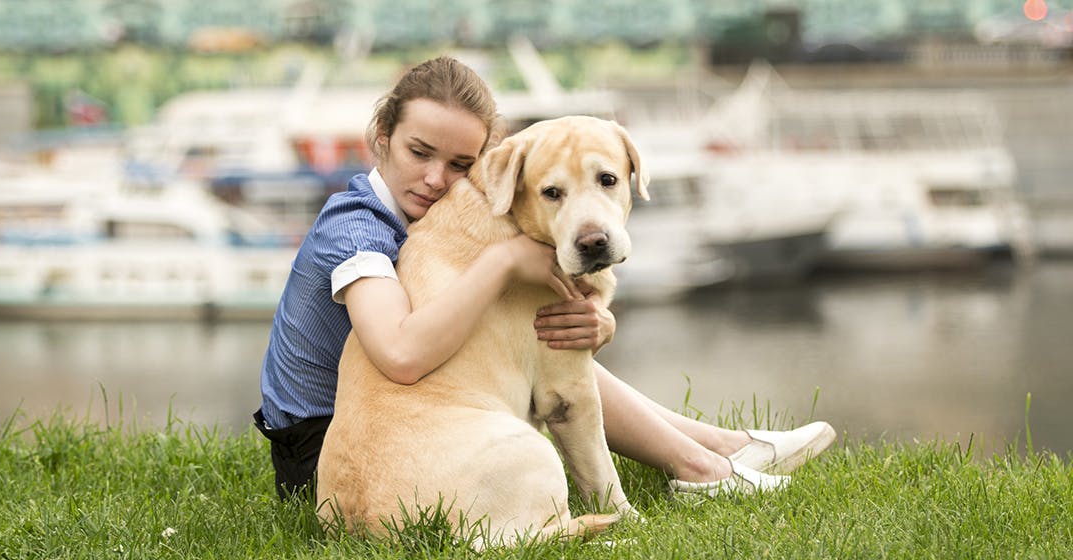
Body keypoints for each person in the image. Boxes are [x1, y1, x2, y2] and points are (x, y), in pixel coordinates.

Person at [255, 55, 834, 500]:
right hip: (334, 452)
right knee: (545, 353)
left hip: (397, 431)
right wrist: (505, 261)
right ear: (380, 135)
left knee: (547, 341)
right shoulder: (356, 227)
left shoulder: (433, 223)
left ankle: (724, 449)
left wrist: (595, 322)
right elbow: (401, 354)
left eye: (461, 166)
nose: (436, 179)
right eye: (418, 151)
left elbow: (505, 336)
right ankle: (706, 463)